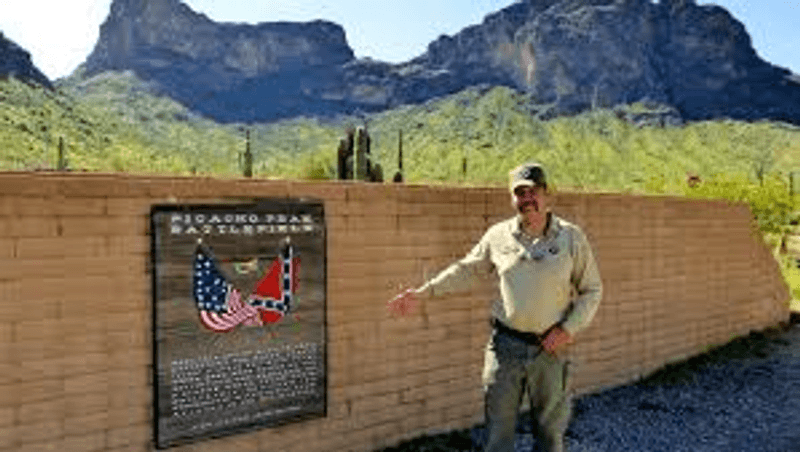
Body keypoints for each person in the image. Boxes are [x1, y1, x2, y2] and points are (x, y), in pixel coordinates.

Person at [387, 162, 602, 452]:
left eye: (533, 191)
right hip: (505, 348)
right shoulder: (498, 236)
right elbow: (466, 270)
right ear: (512, 199)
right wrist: (423, 293)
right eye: (519, 193)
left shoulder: (571, 237)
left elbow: (592, 289)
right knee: (497, 434)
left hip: (550, 350)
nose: (527, 199)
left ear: (547, 193)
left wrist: (567, 329)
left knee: (550, 434)